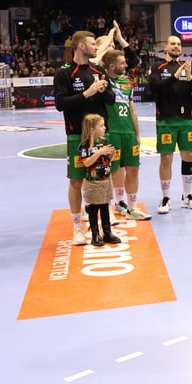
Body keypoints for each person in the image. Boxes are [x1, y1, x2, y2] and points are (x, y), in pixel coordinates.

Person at [54, 30, 115, 246]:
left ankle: (103, 227)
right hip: (77, 136)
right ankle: (77, 227)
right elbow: (60, 104)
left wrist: (103, 90)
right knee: (76, 181)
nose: (96, 47)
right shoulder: (64, 73)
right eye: (92, 44)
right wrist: (87, 93)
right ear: (81, 46)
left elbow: (111, 100)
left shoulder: (98, 70)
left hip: (100, 137)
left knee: (101, 178)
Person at [148, 35, 192, 214]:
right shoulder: (157, 67)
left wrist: (190, 77)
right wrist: (175, 76)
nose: (176, 46)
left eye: (179, 44)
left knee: (188, 155)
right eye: (172, 43)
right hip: (166, 119)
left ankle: (187, 196)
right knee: (166, 158)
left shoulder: (189, 67)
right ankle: (166, 198)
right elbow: (154, 88)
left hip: (186, 119)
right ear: (166, 47)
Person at [103, 49, 150, 220]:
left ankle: (132, 208)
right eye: (122, 63)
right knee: (110, 171)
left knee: (133, 169)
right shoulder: (103, 81)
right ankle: (108, 210)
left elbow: (133, 110)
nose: (125, 65)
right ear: (111, 66)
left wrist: (137, 134)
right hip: (112, 133)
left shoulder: (127, 83)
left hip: (128, 132)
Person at [78, 114, 121, 246]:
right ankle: (95, 234)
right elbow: (86, 163)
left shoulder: (103, 141)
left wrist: (112, 156)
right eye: (101, 126)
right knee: (94, 208)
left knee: (105, 207)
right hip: (93, 182)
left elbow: (106, 160)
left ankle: (107, 232)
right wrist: (99, 152)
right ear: (92, 130)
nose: (104, 128)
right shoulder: (85, 145)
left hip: (105, 179)